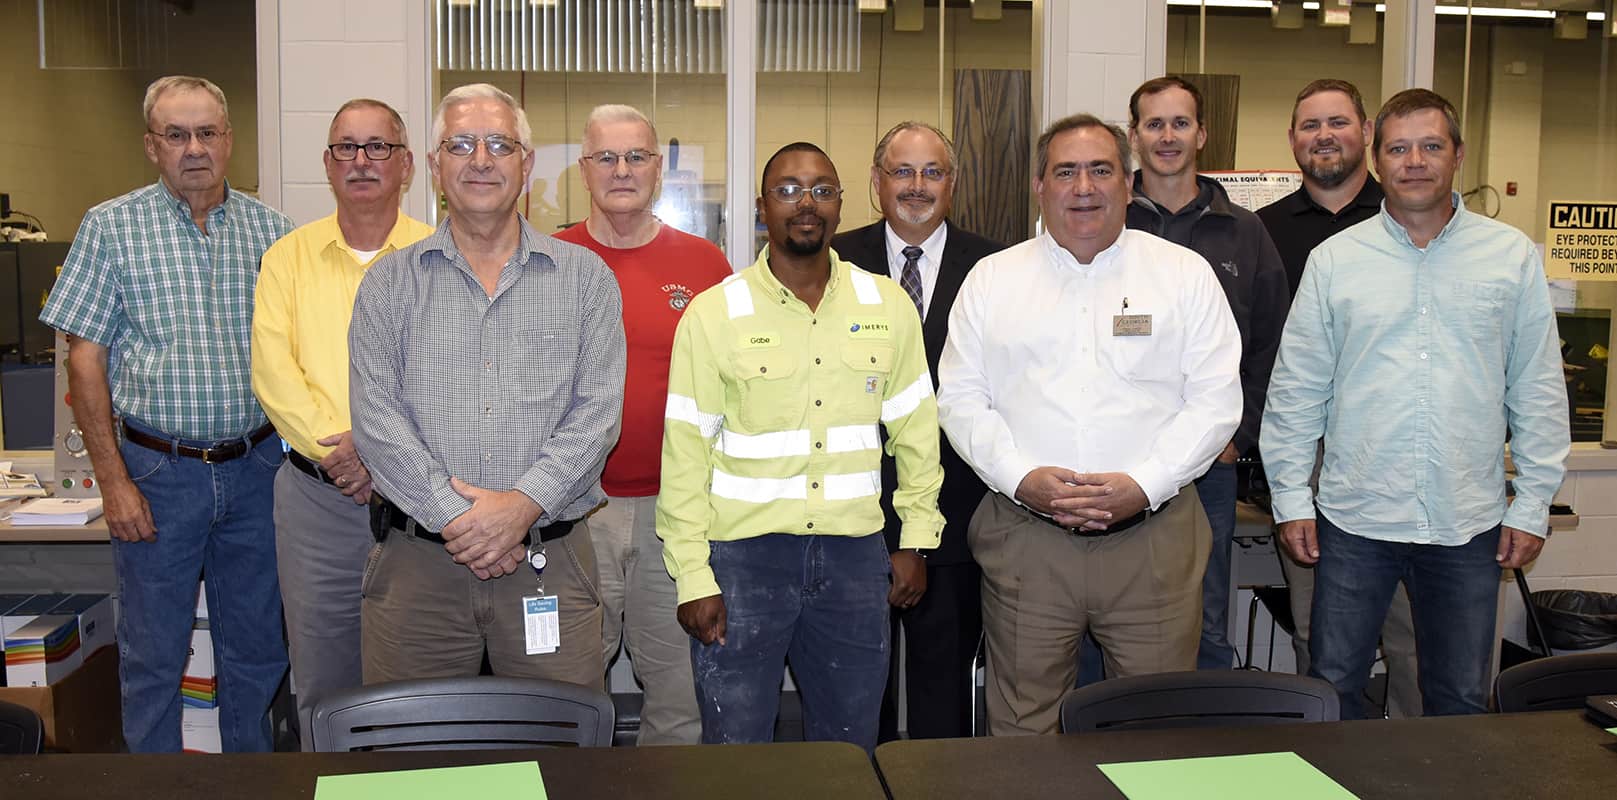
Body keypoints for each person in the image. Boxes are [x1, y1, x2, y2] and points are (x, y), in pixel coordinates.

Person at [1261, 88, 1569, 719]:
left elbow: (1537, 388)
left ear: (1458, 154)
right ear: (1378, 160)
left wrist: (1533, 503)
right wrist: (1291, 496)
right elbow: (1297, 391)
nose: (1415, 161)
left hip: (1467, 524)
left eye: (1431, 146)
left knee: (1459, 699)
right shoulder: (1335, 261)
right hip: (1354, 519)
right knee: (1334, 689)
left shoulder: (1509, 256)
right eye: (1399, 149)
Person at [937, 114, 1242, 735]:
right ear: (1039, 186)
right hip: (1028, 540)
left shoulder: (1184, 275)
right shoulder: (992, 280)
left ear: (1128, 184)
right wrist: (1021, 478)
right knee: (1023, 728)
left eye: (1101, 170)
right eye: (1065, 172)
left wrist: (1145, 484)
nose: (1084, 187)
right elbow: (961, 399)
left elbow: (1215, 402)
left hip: (1153, 540)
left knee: (1154, 730)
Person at [658, 142, 945, 751]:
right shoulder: (715, 313)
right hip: (743, 562)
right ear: (763, 207)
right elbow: (685, 456)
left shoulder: (887, 305)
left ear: (841, 203)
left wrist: (917, 541)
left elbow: (918, 436)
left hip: (854, 561)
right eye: (787, 190)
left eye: (821, 189)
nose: (806, 203)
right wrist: (692, 576)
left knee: (849, 749)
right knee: (736, 750)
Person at [40, 75, 292, 752]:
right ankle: (154, 787)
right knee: (153, 655)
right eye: (176, 135)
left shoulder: (273, 233)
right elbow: (84, 362)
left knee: (257, 651)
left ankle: (251, 782)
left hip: (258, 470)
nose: (194, 148)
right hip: (157, 474)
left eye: (207, 132)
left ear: (229, 140)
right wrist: (113, 482)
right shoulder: (111, 227)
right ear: (152, 146)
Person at [349, 83, 625, 689]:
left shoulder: (585, 279)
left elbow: (598, 414)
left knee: (559, 740)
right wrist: (459, 520)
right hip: (419, 568)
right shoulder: (388, 285)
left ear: (526, 164)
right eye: (461, 145)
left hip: (547, 564)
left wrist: (522, 507)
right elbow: (376, 419)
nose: (480, 160)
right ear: (433, 166)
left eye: (500, 144)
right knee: (413, 744)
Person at [251, 98, 434, 747]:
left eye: (377, 146)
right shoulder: (287, 258)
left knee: (422, 672)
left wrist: (379, 451)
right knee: (324, 674)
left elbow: (454, 375)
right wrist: (343, 452)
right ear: (327, 164)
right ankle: (332, 783)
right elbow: (274, 371)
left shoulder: (439, 255)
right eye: (346, 148)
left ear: (406, 164)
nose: (361, 161)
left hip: (420, 499)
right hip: (317, 499)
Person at [553, 104, 731, 745]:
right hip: (574, 510)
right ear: (584, 170)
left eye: (636, 157)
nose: (622, 170)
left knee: (680, 694)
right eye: (606, 157)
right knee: (566, 692)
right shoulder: (547, 261)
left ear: (658, 169)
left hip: (676, 514)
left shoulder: (706, 265)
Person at [831, 121, 1003, 740]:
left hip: (956, 512)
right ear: (876, 181)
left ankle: (939, 784)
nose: (917, 186)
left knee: (944, 690)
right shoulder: (833, 261)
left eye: (932, 172)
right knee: (855, 691)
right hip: (851, 513)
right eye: (902, 171)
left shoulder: (995, 267)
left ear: (953, 183)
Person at [1255, 78, 1422, 716]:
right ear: (1292, 139)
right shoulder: (1263, 230)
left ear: (1368, 135)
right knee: (1319, 637)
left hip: (1398, 454)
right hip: (1308, 459)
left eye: (1339, 122)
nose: (1324, 136)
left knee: (1413, 641)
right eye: (1310, 125)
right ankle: (1327, 758)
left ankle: (1419, 761)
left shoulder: (1407, 220)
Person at [1124, 76, 1289, 671]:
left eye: (1180, 123)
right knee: (1111, 610)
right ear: (1134, 136)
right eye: (1154, 124)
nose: (1167, 136)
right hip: (1119, 459)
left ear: (1202, 134)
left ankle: (1202, 727)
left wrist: (1238, 435)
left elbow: (1271, 346)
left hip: (1208, 467)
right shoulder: (1105, 221)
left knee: (1204, 617)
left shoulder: (1244, 232)